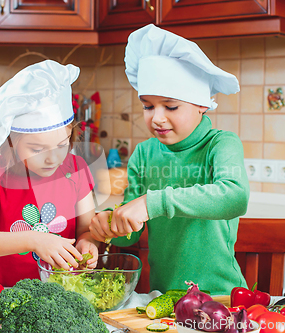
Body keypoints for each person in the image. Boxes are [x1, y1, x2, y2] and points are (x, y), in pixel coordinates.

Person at [89, 24, 249, 295]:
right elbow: (133, 233)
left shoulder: (221, 144)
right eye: (147, 106)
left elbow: (235, 196)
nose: (157, 118)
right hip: (163, 297)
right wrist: (112, 222)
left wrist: (154, 202)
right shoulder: (144, 153)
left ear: (201, 104)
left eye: (171, 106)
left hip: (221, 296)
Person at [0, 60, 100, 287]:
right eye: (37, 149)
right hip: (1, 294)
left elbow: (87, 230)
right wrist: (34, 240)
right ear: (11, 142)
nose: (53, 158)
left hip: (62, 296)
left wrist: (88, 243)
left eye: (61, 145)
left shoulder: (76, 170)